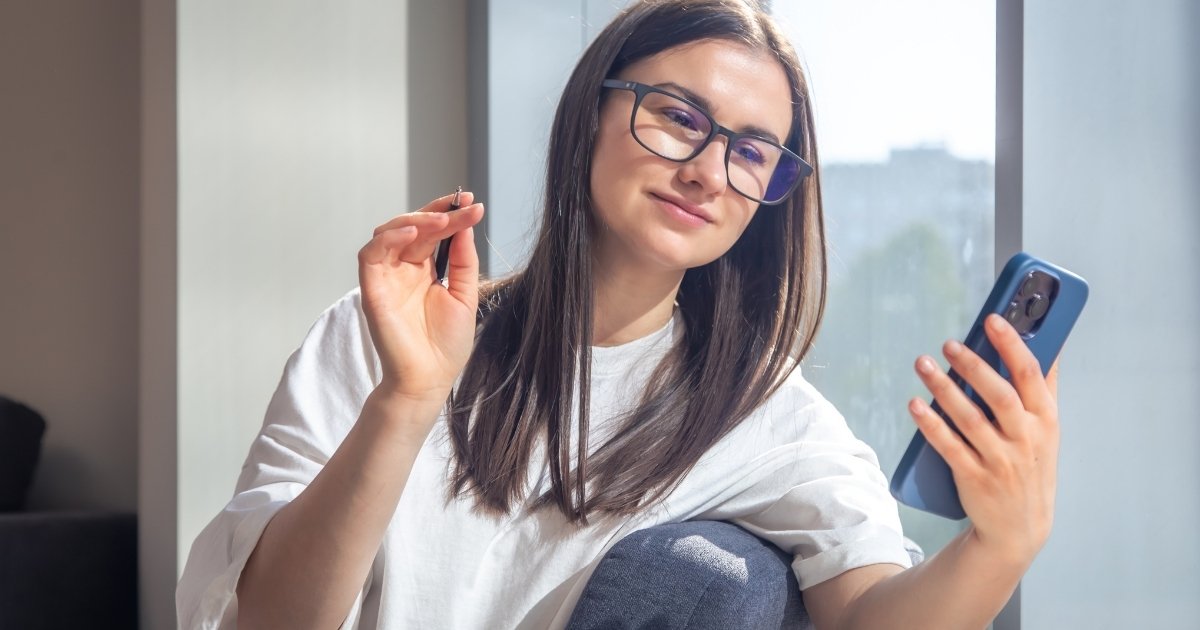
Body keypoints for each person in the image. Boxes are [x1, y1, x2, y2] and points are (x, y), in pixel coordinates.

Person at [177, 1, 1062, 628]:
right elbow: (266, 620)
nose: (708, 172)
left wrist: (1001, 548)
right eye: (679, 117)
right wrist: (406, 401)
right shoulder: (382, 337)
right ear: (591, 114)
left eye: (753, 153)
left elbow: (870, 619)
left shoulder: (767, 417)